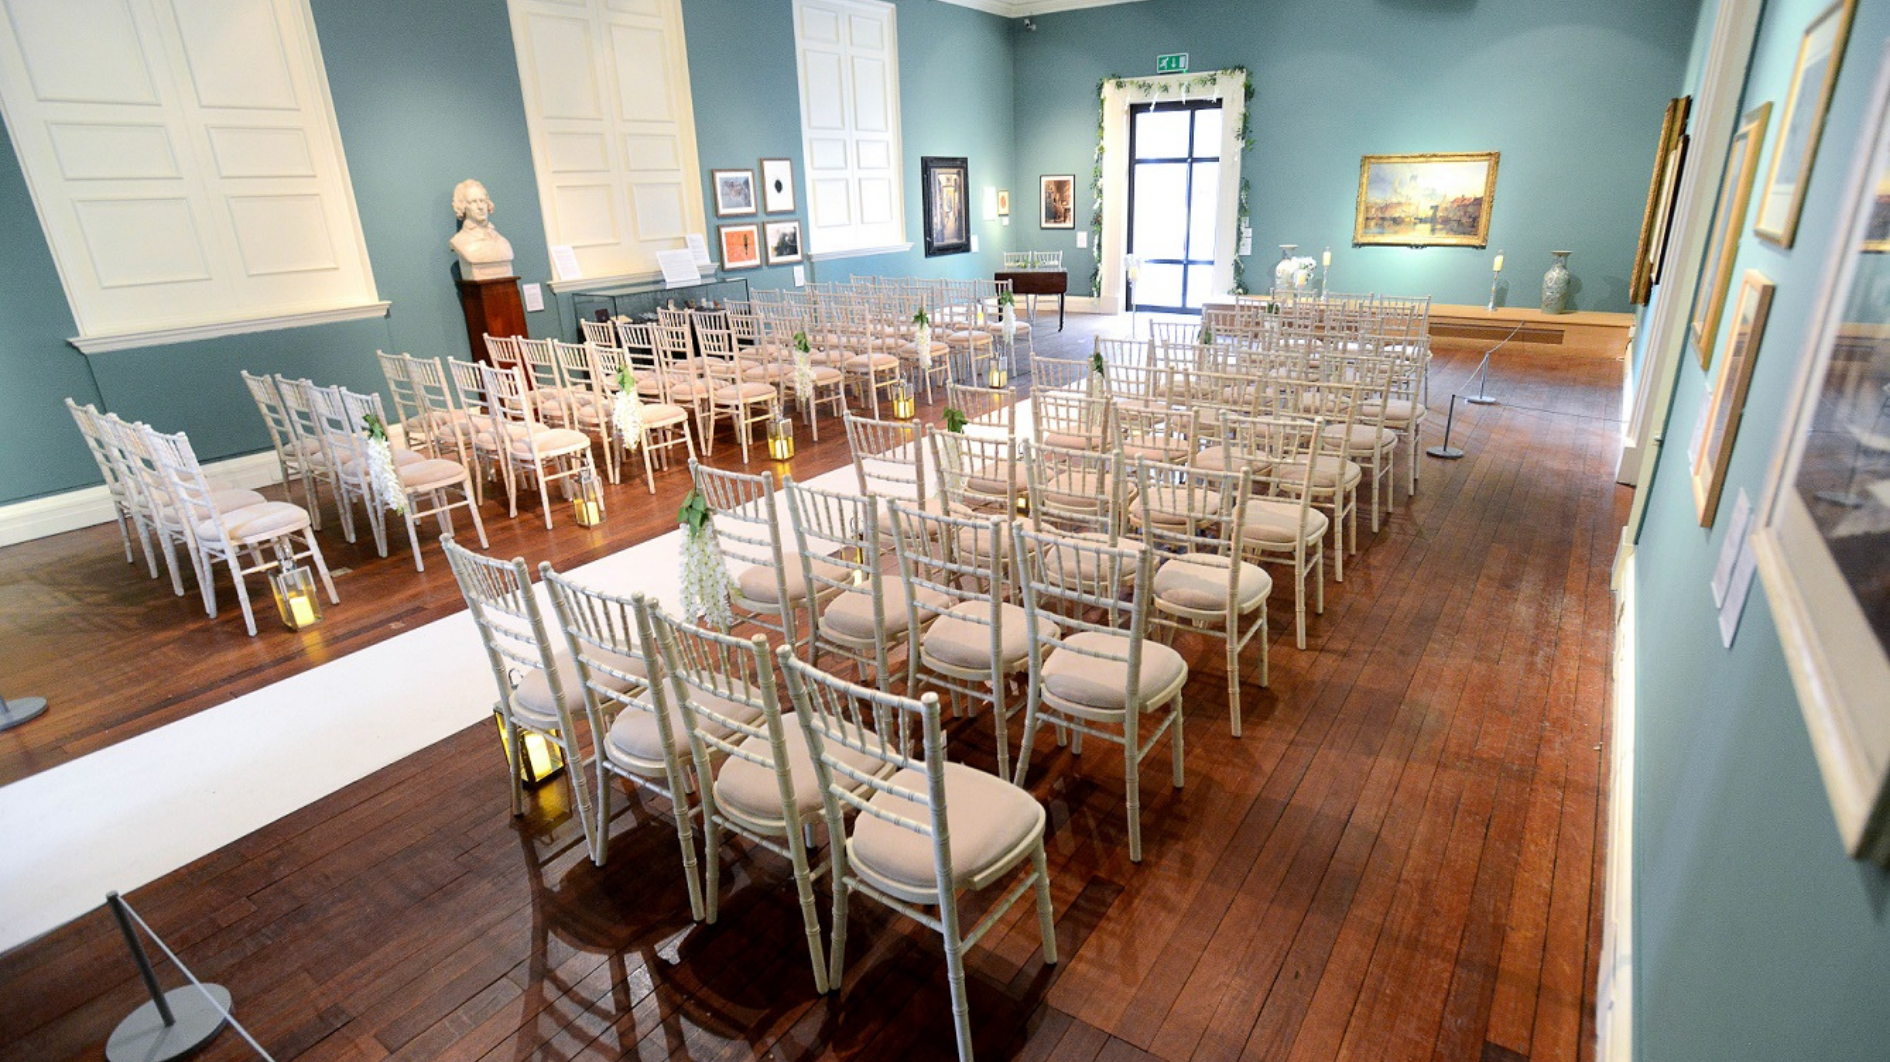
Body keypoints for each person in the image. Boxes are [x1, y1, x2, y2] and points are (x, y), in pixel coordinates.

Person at [449, 179, 514, 280]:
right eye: (473, 202)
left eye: (482, 201)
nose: (480, 207)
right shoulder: (459, 242)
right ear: (462, 206)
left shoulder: (503, 242)